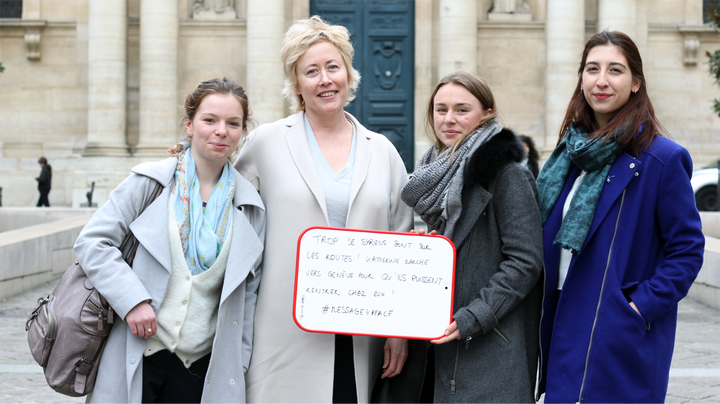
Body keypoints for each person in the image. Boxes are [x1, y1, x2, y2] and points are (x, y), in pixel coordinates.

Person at [234, 16, 413, 404]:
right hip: (284, 328)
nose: (325, 79)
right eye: (311, 71)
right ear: (296, 83)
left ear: (348, 73)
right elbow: (231, 220)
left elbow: (404, 239)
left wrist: (399, 330)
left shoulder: (381, 149)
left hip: (362, 329)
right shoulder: (265, 143)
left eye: (333, 67)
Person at [536, 31, 705, 403]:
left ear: (635, 83)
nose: (601, 80)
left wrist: (635, 307)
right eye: (592, 69)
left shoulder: (661, 159)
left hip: (613, 324)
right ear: (581, 79)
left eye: (615, 70)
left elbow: (688, 251)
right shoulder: (567, 157)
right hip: (560, 315)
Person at [74, 77, 265, 404]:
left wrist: (240, 362)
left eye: (233, 123)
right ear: (189, 125)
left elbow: (249, 294)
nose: (221, 131)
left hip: (205, 369)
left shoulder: (250, 207)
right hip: (138, 354)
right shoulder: (149, 184)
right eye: (210, 120)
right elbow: (93, 242)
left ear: (242, 132)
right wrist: (132, 300)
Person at [401, 70, 543, 403]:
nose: (449, 119)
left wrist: (474, 317)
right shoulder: (436, 174)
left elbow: (525, 261)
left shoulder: (507, 174)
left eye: (462, 110)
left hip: (489, 346)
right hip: (445, 350)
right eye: (440, 109)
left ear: (487, 114)